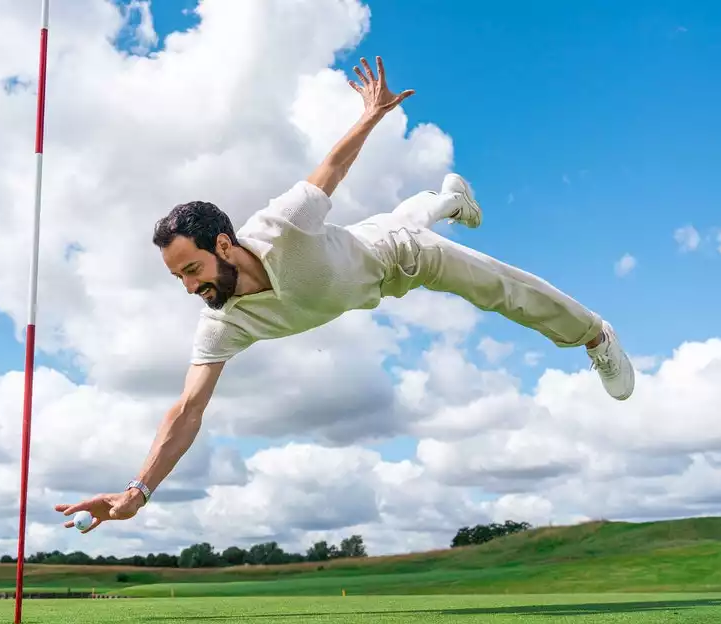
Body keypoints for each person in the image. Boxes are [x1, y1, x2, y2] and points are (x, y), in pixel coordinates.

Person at [56, 56, 634, 533]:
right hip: (361, 267)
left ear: (224, 244)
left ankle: (593, 333)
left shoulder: (280, 224)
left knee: (495, 287)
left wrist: (373, 114)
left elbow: (331, 168)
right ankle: (448, 199)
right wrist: (137, 491)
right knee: (396, 223)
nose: (189, 287)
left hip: (399, 256)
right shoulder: (222, 324)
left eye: (192, 268)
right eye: (177, 277)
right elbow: (187, 410)